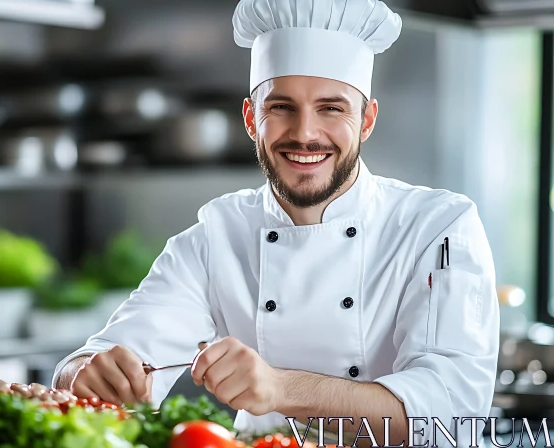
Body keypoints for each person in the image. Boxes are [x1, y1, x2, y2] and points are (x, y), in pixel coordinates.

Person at [53, 0, 500, 446]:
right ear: (251, 118)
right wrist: (90, 372)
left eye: (331, 108)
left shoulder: (437, 226)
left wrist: (280, 388)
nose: (305, 133)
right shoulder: (217, 235)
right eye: (281, 107)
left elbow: (449, 412)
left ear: (366, 121)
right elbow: (96, 360)